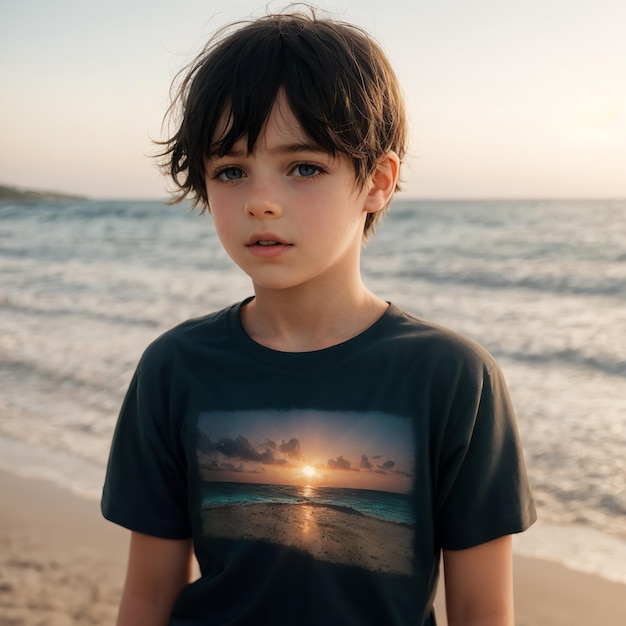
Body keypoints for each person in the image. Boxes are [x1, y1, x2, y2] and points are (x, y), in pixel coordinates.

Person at [102, 8, 536, 626]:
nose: (261, 201)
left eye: (304, 167)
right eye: (231, 171)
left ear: (377, 182)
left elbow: (481, 609)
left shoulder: (452, 376)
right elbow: (148, 596)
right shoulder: (176, 367)